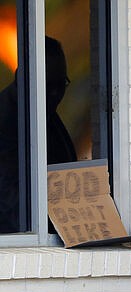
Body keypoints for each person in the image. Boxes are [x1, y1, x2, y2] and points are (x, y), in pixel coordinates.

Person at [0, 36, 77, 234]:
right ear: (23, 77)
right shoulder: (6, 118)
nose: (55, 94)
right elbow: (10, 198)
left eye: (62, 85)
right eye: (48, 85)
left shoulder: (42, 110)